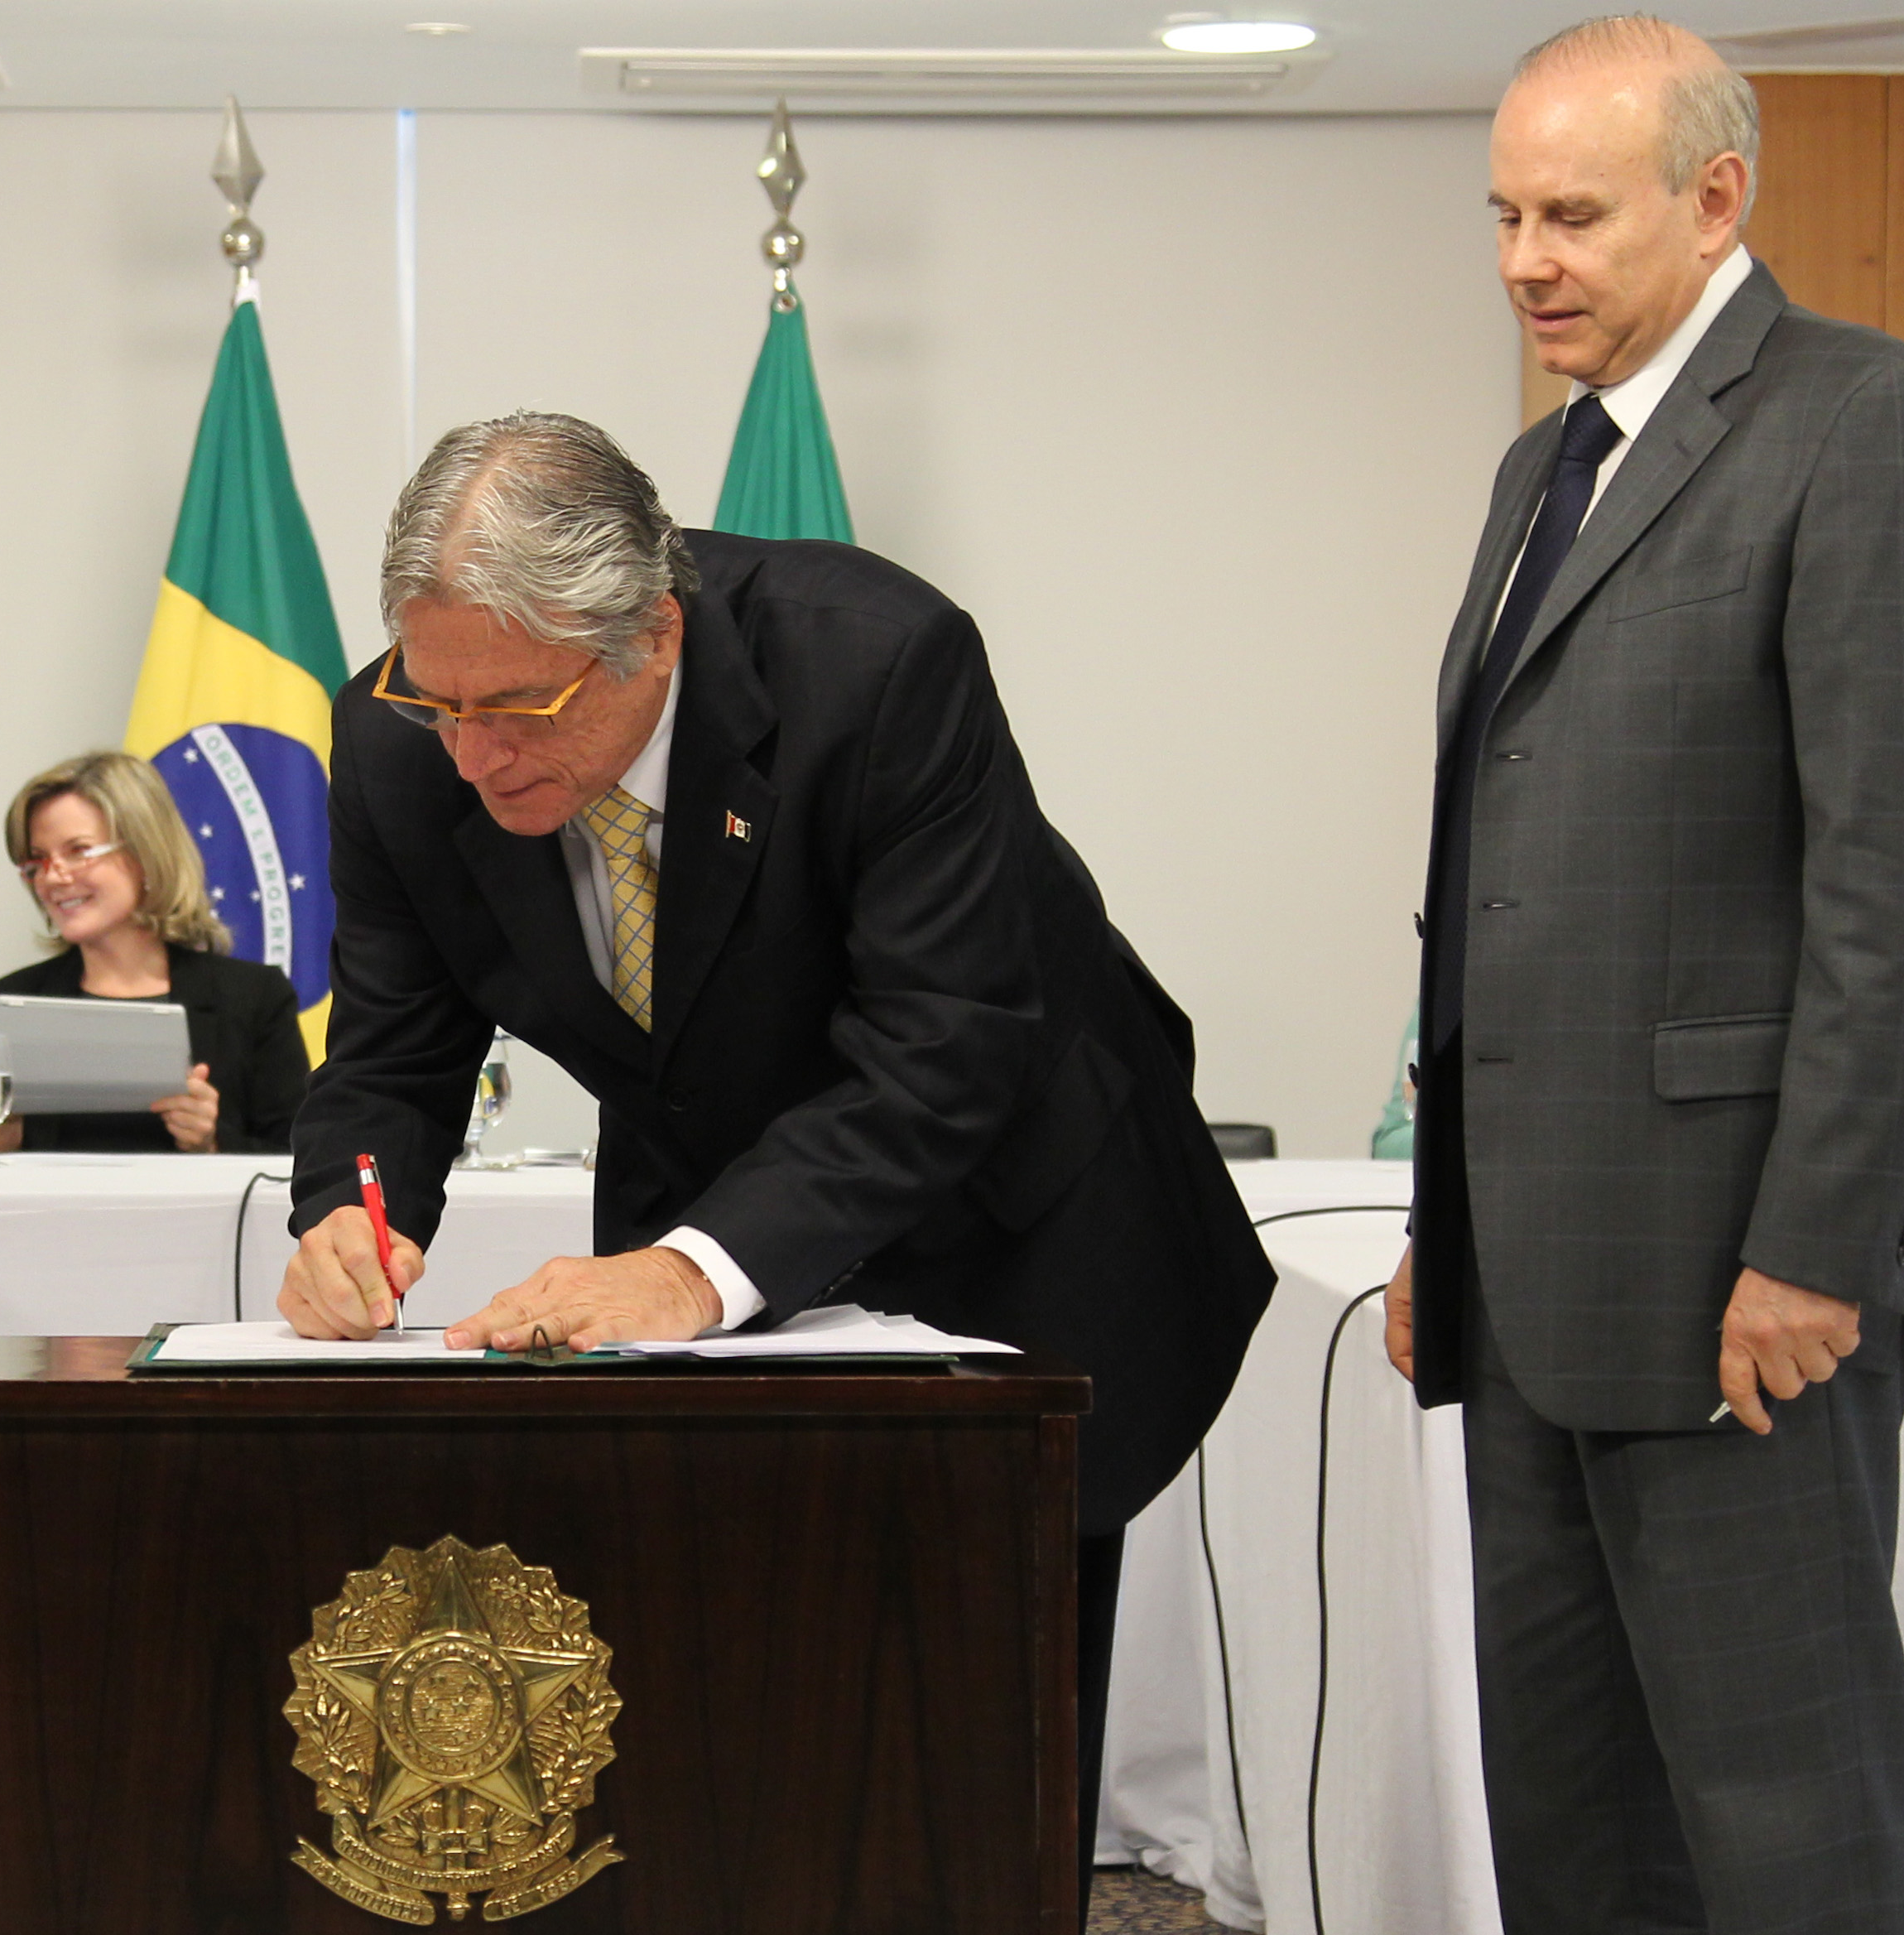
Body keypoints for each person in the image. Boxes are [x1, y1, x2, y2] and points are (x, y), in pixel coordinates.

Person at [275, 412, 1277, 1920]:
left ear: (653, 634)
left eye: (521, 707)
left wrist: (689, 1268)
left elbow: (943, 1047)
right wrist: (346, 1212)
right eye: (440, 702)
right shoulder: (399, 742)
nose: (474, 754)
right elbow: (394, 1051)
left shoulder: (877, 665)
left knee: (968, 1739)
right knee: (707, 1716)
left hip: (1013, 1210)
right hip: (715, 1186)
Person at [1385, 19, 1904, 1933]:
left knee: (1780, 1822)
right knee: (1571, 1819)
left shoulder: (1866, 420)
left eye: (1567, 212)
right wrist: (1450, 1211)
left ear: (1713, 196)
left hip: (1745, 1286)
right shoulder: (1533, 469)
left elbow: (1902, 888)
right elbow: (1500, 866)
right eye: (1500, 212)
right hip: (1528, 1288)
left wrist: (1818, 1241)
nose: (1522, 257)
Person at [0, 751, 310, 1153]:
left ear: (146, 853)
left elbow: (299, 1164)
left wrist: (213, 1142)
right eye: (38, 860)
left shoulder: (255, 997)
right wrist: (0, 1127)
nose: (52, 877)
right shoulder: (13, 1000)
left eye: (78, 851)